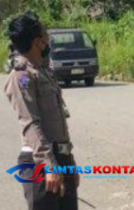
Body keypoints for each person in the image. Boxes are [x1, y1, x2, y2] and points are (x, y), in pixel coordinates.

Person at [5, 12, 79, 210]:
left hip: (60, 158)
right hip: (40, 162)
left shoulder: (42, 71)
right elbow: (30, 123)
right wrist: (49, 164)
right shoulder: (21, 76)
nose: (49, 39)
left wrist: (68, 163)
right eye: (46, 34)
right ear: (38, 42)